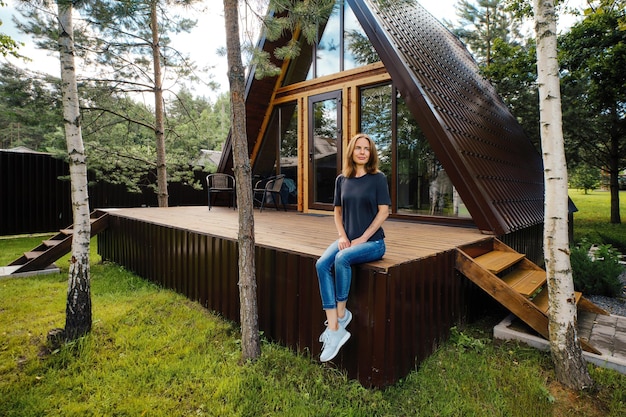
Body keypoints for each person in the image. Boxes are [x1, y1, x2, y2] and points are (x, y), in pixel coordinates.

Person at [315, 133, 390, 362]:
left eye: (366, 148)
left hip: (373, 243)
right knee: (321, 264)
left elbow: (384, 211)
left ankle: (338, 317)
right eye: (358, 148)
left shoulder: (378, 178)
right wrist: (342, 236)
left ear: (371, 153)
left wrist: (363, 238)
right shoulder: (342, 179)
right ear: (351, 151)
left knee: (341, 259)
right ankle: (337, 328)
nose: (362, 152)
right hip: (347, 239)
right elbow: (337, 212)